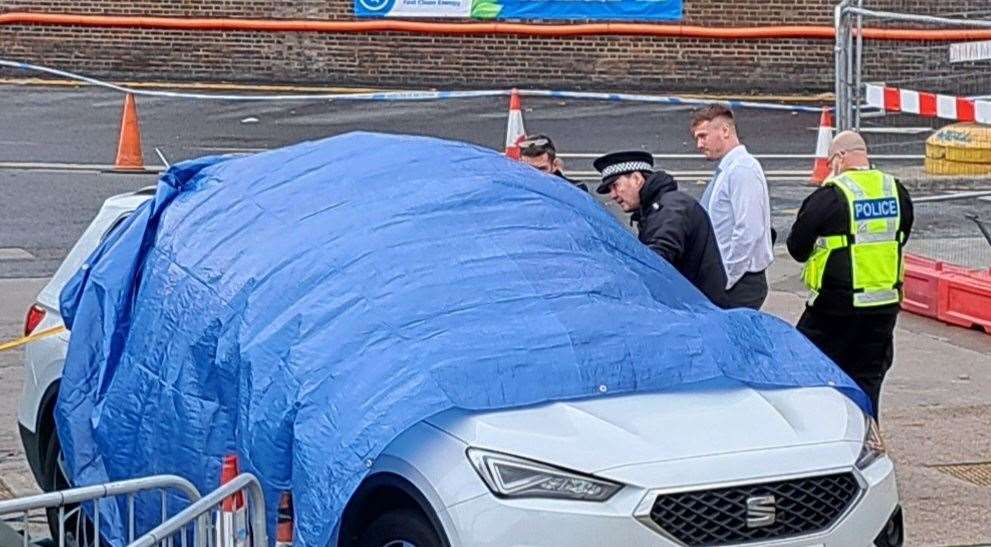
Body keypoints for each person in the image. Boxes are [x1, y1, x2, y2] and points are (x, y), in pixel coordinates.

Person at [787, 130, 914, 415]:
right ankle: (867, 443)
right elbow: (900, 236)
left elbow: (797, 248)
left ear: (840, 158)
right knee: (868, 381)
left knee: (806, 366)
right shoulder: (896, 190)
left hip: (833, 310)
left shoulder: (830, 196)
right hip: (883, 308)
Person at [594, 150, 730, 308]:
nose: (613, 195)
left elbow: (656, 259)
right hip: (693, 307)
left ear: (637, 179)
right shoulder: (655, 208)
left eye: (615, 186)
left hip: (696, 311)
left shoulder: (670, 209)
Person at [692, 104, 774, 309]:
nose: (699, 144)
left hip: (738, 282)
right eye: (697, 138)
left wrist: (726, 277)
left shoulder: (743, 170)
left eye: (703, 136)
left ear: (725, 131)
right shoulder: (729, 169)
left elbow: (748, 230)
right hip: (730, 279)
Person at [519, 134, 589, 192]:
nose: (536, 174)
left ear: (555, 165)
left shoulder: (576, 190)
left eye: (542, 169)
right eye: (529, 169)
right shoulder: (514, 192)